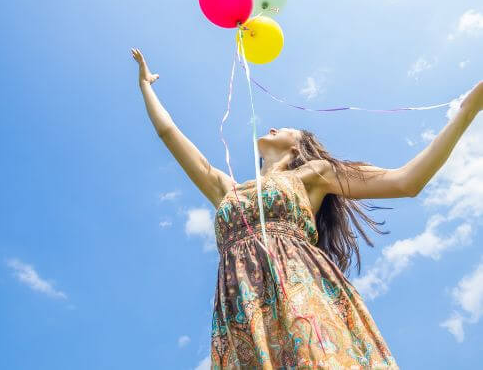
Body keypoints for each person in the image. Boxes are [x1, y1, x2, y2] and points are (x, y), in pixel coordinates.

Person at [132, 47, 481, 369]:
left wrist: (467, 111)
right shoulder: (227, 189)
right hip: (241, 308)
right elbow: (168, 133)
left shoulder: (314, 174)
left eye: (284, 127)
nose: (272, 125)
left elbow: (407, 181)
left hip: (300, 291)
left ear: (299, 146)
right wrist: (147, 87)